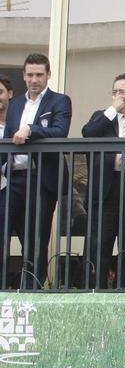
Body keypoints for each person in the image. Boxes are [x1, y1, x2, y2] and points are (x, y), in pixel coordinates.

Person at [3, 54, 72, 289]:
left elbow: (60, 132)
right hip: (12, 179)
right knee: (3, 234)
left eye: (39, 75)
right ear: (23, 76)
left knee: (35, 241)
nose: (34, 80)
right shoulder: (15, 105)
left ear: (48, 75)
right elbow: (8, 139)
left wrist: (31, 130)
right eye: (30, 75)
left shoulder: (59, 101)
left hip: (40, 180)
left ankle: (30, 291)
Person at [81, 73, 125, 289]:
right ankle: (94, 290)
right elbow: (88, 133)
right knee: (99, 242)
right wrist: (112, 109)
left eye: (122, 92)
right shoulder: (104, 117)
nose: (118, 96)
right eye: (114, 92)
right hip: (108, 187)